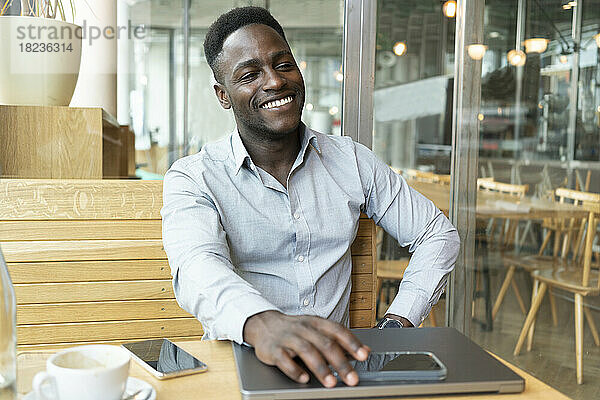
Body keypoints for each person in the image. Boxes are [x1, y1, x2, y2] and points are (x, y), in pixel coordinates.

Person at [161, 6, 460, 389]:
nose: (273, 82)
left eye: (282, 64)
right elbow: (196, 265)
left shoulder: (351, 160)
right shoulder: (195, 177)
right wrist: (262, 324)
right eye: (250, 75)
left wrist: (397, 322)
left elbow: (438, 234)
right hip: (239, 367)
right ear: (223, 95)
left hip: (339, 373)